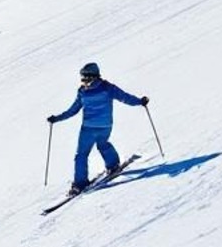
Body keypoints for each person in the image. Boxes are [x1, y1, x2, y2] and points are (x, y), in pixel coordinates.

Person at [46, 62, 148, 194]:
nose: (84, 81)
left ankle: (80, 183)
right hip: (104, 126)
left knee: (82, 154)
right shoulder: (103, 88)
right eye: (82, 78)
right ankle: (113, 165)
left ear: (93, 76)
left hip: (88, 128)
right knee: (103, 145)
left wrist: (57, 118)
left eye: (85, 78)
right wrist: (140, 101)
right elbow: (125, 97)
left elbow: (73, 110)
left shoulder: (87, 91)